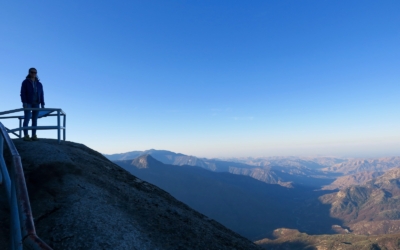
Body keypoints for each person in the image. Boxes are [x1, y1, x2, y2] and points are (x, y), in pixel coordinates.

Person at [20, 68, 45, 141]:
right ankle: (26, 135)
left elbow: (42, 94)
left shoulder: (39, 84)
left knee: (34, 120)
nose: (34, 73)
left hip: (37, 103)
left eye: (35, 72)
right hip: (28, 103)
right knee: (27, 119)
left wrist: (42, 103)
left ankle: (34, 135)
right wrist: (24, 102)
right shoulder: (25, 82)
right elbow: (22, 93)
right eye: (32, 72)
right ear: (29, 73)